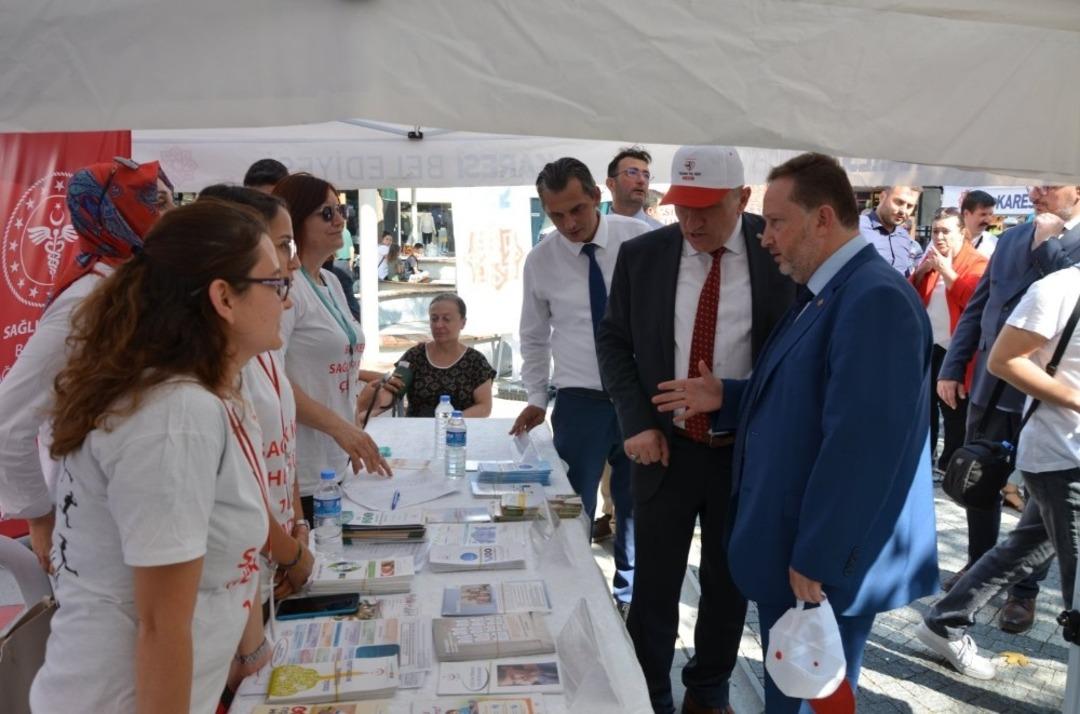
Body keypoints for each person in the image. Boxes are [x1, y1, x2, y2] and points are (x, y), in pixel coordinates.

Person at [653, 152, 938, 712]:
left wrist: (818, 556)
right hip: (800, 552)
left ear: (824, 219)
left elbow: (863, 447)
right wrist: (729, 396)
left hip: (819, 566)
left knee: (809, 700)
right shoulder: (830, 290)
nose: (764, 237)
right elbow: (808, 398)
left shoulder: (872, 298)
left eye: (777, 222)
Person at [30, 200, 280, 712]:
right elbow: (161, 626)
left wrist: (250, 652)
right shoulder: (174, 416)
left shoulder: (202, 394)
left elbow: (231, 555)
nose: (287, 301)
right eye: (275, 285)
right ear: (224, 298)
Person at [596, 145, 794, 714]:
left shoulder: (774, 251)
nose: (692, 223)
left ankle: (708, 692)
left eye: (707, 209)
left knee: (730, 585)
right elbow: (613, 341)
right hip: (666, 450)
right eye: (682, 208)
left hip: (744, 454)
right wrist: (636, 421)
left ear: (743, 199)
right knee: (654, 585)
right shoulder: (645, 255)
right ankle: (650, 693)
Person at [0, 158, 173, 573]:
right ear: (118, 215)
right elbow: (8, 422)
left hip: (142, 514)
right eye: (158, 203)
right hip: (97, 527)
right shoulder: (86, 303)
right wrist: (40, 516)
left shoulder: (135, 288)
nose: (172, 216)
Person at [917, 261, 1080, 680]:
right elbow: (1003, 359)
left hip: (1064, 458)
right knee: (1073, 584)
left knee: (1026, 547)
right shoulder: (1060, 288)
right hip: (1063, 457)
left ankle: (945, 620)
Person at [936, 184, 1080, 631]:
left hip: (1048, 396)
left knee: (1043, 501)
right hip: (992, 384)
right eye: (1033, 183)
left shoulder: (1056, 244)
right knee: (980, 480)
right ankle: (978, 564)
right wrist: (952, 365)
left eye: (1049, 184)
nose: (1035, 192)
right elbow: (982, 305)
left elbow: (1057, 294)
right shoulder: (1015, 237)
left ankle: (1024, 593)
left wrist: (1049, 244)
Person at [511, 157, 648, 619]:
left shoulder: (640, 241)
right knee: (573, 508)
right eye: (556, 215)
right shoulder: (542, 260)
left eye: (576, 210)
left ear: (595, 196)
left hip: (639, 399)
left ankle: (631, 600)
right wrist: (534, 396)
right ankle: (574, 593)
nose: (569, 224)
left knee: (635, 508)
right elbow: (533, 334)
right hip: (579, 401)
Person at [195, 185, 314, 603]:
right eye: (282, 247)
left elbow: (281, 447)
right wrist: (289, 551)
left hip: (267, 572)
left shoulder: (262, 345)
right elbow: (234, 498)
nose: (292, 265)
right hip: (240, 579)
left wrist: (297, 528)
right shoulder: (198, 390)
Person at [273, 174, 389, 521]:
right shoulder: (288, 289)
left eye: (341, 210)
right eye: (326, 213)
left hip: (337, 463)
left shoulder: (332, 282)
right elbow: (272, 379)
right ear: (295, 222)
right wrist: (342, 429)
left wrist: (352, 424)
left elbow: (341, 368)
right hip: (302, 468)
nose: (340, 220)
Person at [910, 207, 988, 473]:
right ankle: (925, 460)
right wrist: (921, 272)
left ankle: (951, 464)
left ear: (962, 233)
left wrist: (947, 272)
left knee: (954, 409)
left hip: (955, 347)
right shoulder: (931, 259)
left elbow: (974, 301)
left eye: (946, 231)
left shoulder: (977, 262)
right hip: (929, 343)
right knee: (925, 407)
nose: (939, 237)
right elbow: (914, 297)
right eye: (935, 231)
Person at [364, 294, 495, 418]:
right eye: (434, 319)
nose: (439, 325)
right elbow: (393, 391)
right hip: (417, 433)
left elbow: (484, 407)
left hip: (458, 434)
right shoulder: (415, 356)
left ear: (463, 322)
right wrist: (373, 405)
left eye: (446, 319)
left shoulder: (476, 361)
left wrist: (451, 421)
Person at [859, 185, 923, 275]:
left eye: (909, 206)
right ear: (882, 197)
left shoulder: (904, 236)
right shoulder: (855, 228)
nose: (903, 211)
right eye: (899, 202)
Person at [606, 146, 663, 229]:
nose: (642, 180)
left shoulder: (661, 234)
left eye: (646, 175)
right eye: (632, 172)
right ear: (611, 184)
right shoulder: (594, 231)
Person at [961, 189, 998, 257]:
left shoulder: (994, 243)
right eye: (983, 214)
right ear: (966, 213)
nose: (988, 219)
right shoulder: (948, 238)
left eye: (990, 214)